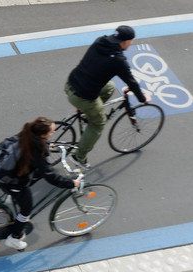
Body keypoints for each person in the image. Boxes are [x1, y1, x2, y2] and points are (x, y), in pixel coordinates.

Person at [64, 25, 151, 169]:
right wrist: (142, 99)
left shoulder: (100, 41)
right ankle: (79, 157)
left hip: (71, 83)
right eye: (131, 41)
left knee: (109, 87)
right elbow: (131, 81)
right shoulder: (118, 60)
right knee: (98, 124)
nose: (132, 43)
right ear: (126, 41)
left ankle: (88, 114)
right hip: (83, 97)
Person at [0, 117, 80, 250]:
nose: (53, 133)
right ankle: (14, 238)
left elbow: (35, 151)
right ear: (43, 134)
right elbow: (50, 176)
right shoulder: (36, 150)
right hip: (12, 181)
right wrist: (70, 183)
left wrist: (47, 145)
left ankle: (11, 195)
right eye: (52, 132)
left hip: (2, 171)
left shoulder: (27, 134)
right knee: (26, 211)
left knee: (35, 173)